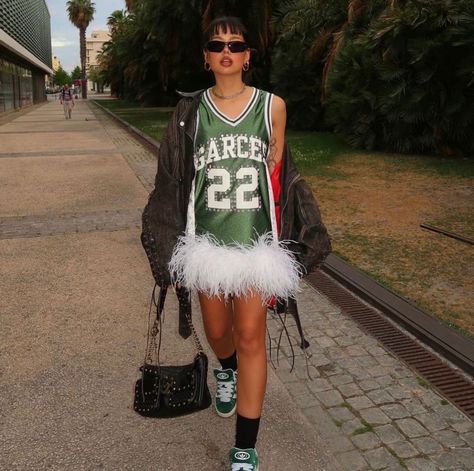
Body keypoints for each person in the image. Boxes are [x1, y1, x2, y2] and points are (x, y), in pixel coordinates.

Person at [141, 15, 330, 471]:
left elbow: (280, 178)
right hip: (206, 243)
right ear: (206, 58)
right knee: (219, 331)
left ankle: (245, 445)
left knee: (250, 336)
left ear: (247, 56)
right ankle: (224, 370)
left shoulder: (273, 107)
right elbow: (171, 178)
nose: (226, 51)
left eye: (236, 44)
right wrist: (165, 241)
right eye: (216, 44)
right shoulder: (189, 112)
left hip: (255, 243)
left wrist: (292, 238)